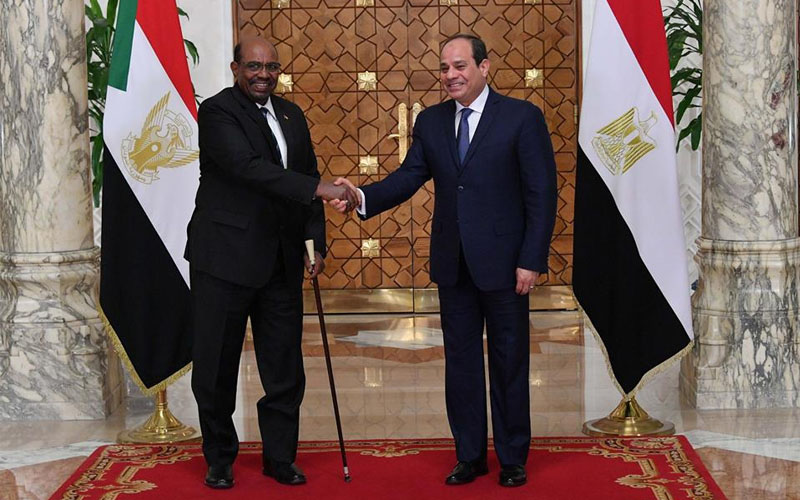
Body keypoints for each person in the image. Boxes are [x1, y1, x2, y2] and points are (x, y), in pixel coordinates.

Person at [332, 33, 556, 487]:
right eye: (444, 68)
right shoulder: (431, 121)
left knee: (509, 361)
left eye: (460, 66)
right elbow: (408, 177)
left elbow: (542, 194)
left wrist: (531, 259)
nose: (450, 75)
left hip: (507, 264)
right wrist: (360, 196)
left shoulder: (522, 117)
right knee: (461, 363)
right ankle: (470, 456)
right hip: (454, 264)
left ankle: (512, 457)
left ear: (484, 67)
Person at [185, 36, 358, 489]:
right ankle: (220, 458)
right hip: (224, 260)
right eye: (254, 66)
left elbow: (307, 175)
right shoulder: (218, 112)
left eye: (271, 67)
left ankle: (280, 458)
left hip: (281, 262)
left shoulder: (291, 114)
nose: (263, 75)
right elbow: (248, 167)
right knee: (216, 367)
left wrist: (315, 243)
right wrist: (320, 189)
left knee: (284, 369)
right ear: (235, 68)